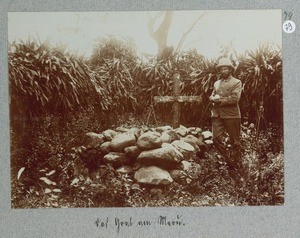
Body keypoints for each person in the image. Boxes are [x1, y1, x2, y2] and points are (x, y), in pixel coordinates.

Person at [209, 58, 244, 183]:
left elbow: (235, 99)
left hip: (232, 115)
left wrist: (219, 100)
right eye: (221, 69)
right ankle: (227, 161)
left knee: (235, 141)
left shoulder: (236, 82)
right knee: (216, 138)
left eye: (225, 68)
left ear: (230, 69)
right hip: (217, 115)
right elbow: (212, 95)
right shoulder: (216, 83)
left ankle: (236, 164)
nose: (223, 70)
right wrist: (212, 98)